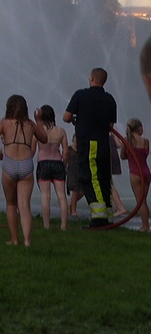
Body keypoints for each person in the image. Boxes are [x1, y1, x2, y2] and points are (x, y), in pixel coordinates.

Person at [0, 94, 39, 248]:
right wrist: (38, 120)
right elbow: (44, 138)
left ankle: (14, 239)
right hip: (26, 165)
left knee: (11, 204)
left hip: (9, 165)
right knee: (25, 205)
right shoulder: (31, 124)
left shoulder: (5, 123)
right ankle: (27, 241)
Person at [65, 68, 120, 227]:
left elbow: (66, 117)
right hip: (104, 144)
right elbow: (110, 125)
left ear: (92, 78)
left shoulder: (81, 95)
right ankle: (108, 216)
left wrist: (79, 119)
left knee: (90, 177)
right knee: (104, 178)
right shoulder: (110, 99)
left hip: (89, 143)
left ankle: (99, 218)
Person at [33, 104, 69, 232]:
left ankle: (46, 225)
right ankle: (63, 226)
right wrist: (63, 165)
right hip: (57, 163)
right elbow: (65, 151)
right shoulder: (61, 131)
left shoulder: (38, 131)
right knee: (62, 196)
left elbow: (32, 150)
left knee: (45, 196)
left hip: (43, 163)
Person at [114, 119, 150, 232]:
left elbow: (123, 156)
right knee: (143, 200)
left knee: (140, 201)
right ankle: (146, 225)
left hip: (135, 173)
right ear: (138, 128)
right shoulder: (146, 141)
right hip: (146, 172)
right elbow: (145, 154)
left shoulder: (127, 141)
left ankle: (145, 226)